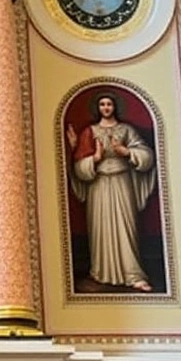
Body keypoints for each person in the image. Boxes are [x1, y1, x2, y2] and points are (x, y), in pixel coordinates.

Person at [65, 91, 157, 292]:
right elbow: (79, 168)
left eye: (109, 104)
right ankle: (101, 272)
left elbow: (147, 155)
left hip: (122, 183)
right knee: (101, 229)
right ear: (98, 108)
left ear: (115, 107)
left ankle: (133, 275)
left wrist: (127, 152)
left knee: (126, 227)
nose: (106, 108)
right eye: (102, 104)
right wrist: (95, 158)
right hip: (98, 186)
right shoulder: (90, 132)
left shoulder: (126, 130)